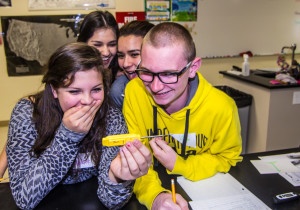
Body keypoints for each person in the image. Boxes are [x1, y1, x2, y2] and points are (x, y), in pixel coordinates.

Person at [6, 42, 152, 210]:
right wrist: (68, 137)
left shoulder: (110, 115)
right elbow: (24, 198)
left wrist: (117, 177)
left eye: (96, 89)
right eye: (74, 92)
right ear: (54, 90)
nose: (88, 101)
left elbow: (111, 201)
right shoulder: (27, 114)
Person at [123, 22, 243, 209]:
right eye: (146, 72)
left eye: (169, 74)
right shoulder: (134, 91)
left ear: (193, 67)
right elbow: (135, 163)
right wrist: (155, 197)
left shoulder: (222, 107)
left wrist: (180, 164)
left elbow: (227, 158)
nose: (155, 87)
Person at [110, 20, 154, 110]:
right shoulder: (119, 91)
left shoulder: (178, 82)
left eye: (134, 54)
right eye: (121, 56)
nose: (126, 64)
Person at [77, 10, 121, 84]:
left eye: (112, 44)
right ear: (83, 43)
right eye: (98, 45)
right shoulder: (71, 75)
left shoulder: (121, 76)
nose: (106, 53)